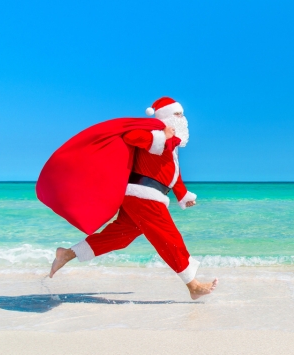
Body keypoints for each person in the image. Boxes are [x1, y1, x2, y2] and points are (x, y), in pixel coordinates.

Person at [48, 97, 217, 300]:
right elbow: (130, 136)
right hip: (143, 196)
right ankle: (193, 285)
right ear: (166, 116)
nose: (183, 119)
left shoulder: (171, 145)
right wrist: (162, 137)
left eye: (182, 114)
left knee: (121, 236)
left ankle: (67, 254)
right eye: (178, 114)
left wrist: (183, 195)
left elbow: (172, 173)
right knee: (167, 236)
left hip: (145, 197)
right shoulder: (152, 132)